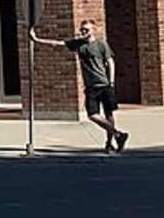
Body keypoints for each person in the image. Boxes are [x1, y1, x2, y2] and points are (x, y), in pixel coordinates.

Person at [31, 19, 128, 153]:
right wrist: (36, 39)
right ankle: (118, 134)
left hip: (104, 84)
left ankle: (110, 142)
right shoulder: (78, 44)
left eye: (86, 30)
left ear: (94, 30)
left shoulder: (101, 44)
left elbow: (110, 62)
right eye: (82, 29)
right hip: (91, 87)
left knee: (108, 114)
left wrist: (111, 82)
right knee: (92, 115)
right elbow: (57, 44)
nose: (83, 32)